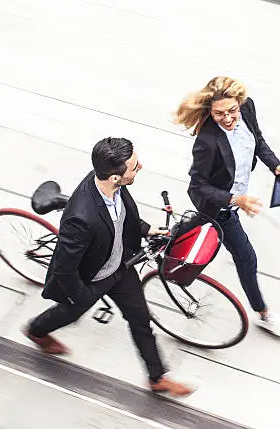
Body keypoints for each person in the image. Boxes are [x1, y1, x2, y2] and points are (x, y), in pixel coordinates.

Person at [23, 137, 192, 397]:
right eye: (135, 167)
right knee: (70, 313)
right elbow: (65, 269)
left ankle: (157, 378)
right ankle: (36, 330)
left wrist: (146, 229)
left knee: (140, 320)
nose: (140, 168)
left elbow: (124, 213)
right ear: (115, 177)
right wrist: (83, 296)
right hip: (92, 278)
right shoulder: (80, 219)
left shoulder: (111, 181)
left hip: (120, 268)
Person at [174, 76, 280, 337]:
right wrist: (236, 200)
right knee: (245, 256)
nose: (228, 118)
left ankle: (167, 240)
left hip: (231, 197)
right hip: (219, 205)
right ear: (210, 111)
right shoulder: (207, 142)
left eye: (232, 110)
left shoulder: (248, 107)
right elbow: (197, 186)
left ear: (240, 103)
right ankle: (264, 315)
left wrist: (275, 166)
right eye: (219, 113)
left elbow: (258, 141)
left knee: (192, 230)